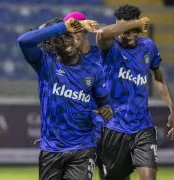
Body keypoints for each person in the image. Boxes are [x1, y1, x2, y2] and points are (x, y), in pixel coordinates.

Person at [18, 18, 113, 180]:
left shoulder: (93, 70)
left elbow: (104, 102)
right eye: (58, 39)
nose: (65, 41)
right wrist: (64, 26)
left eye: (67, 36)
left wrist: (107, 109)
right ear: (51, 45)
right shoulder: (45, 63)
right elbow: (23, 41)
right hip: (51, 148)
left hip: (82, 148)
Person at [95, 4, 174, 180]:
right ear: (119, 28)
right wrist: (137, 23)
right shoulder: (110, 47)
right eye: (127, 30)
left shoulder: (148, 47)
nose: (132, 36)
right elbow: (101, 34)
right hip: (114, 127)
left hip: (143, 126)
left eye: (136, 31)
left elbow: (157, 76)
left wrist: (173, 107)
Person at [63, 12, 106, 180]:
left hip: (107, 128)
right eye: (69, 32)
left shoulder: (103, 55)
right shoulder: (62, 60)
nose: (73, 36)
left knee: (113, 175)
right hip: (78, 132)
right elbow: (40, 31)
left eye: (77, 30)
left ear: (85, 30)